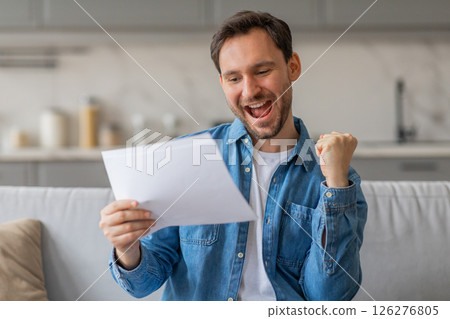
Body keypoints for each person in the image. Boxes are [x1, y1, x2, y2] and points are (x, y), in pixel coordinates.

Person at [99, 10, 367, 301]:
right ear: (222, 83)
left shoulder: (336, 179)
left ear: (293, 67)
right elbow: (143, 284)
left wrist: (337, 187)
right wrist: (127, 248)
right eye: (234, 78)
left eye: (262, 71)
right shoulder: (185, 160)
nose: (249, 90)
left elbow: (330, 298)